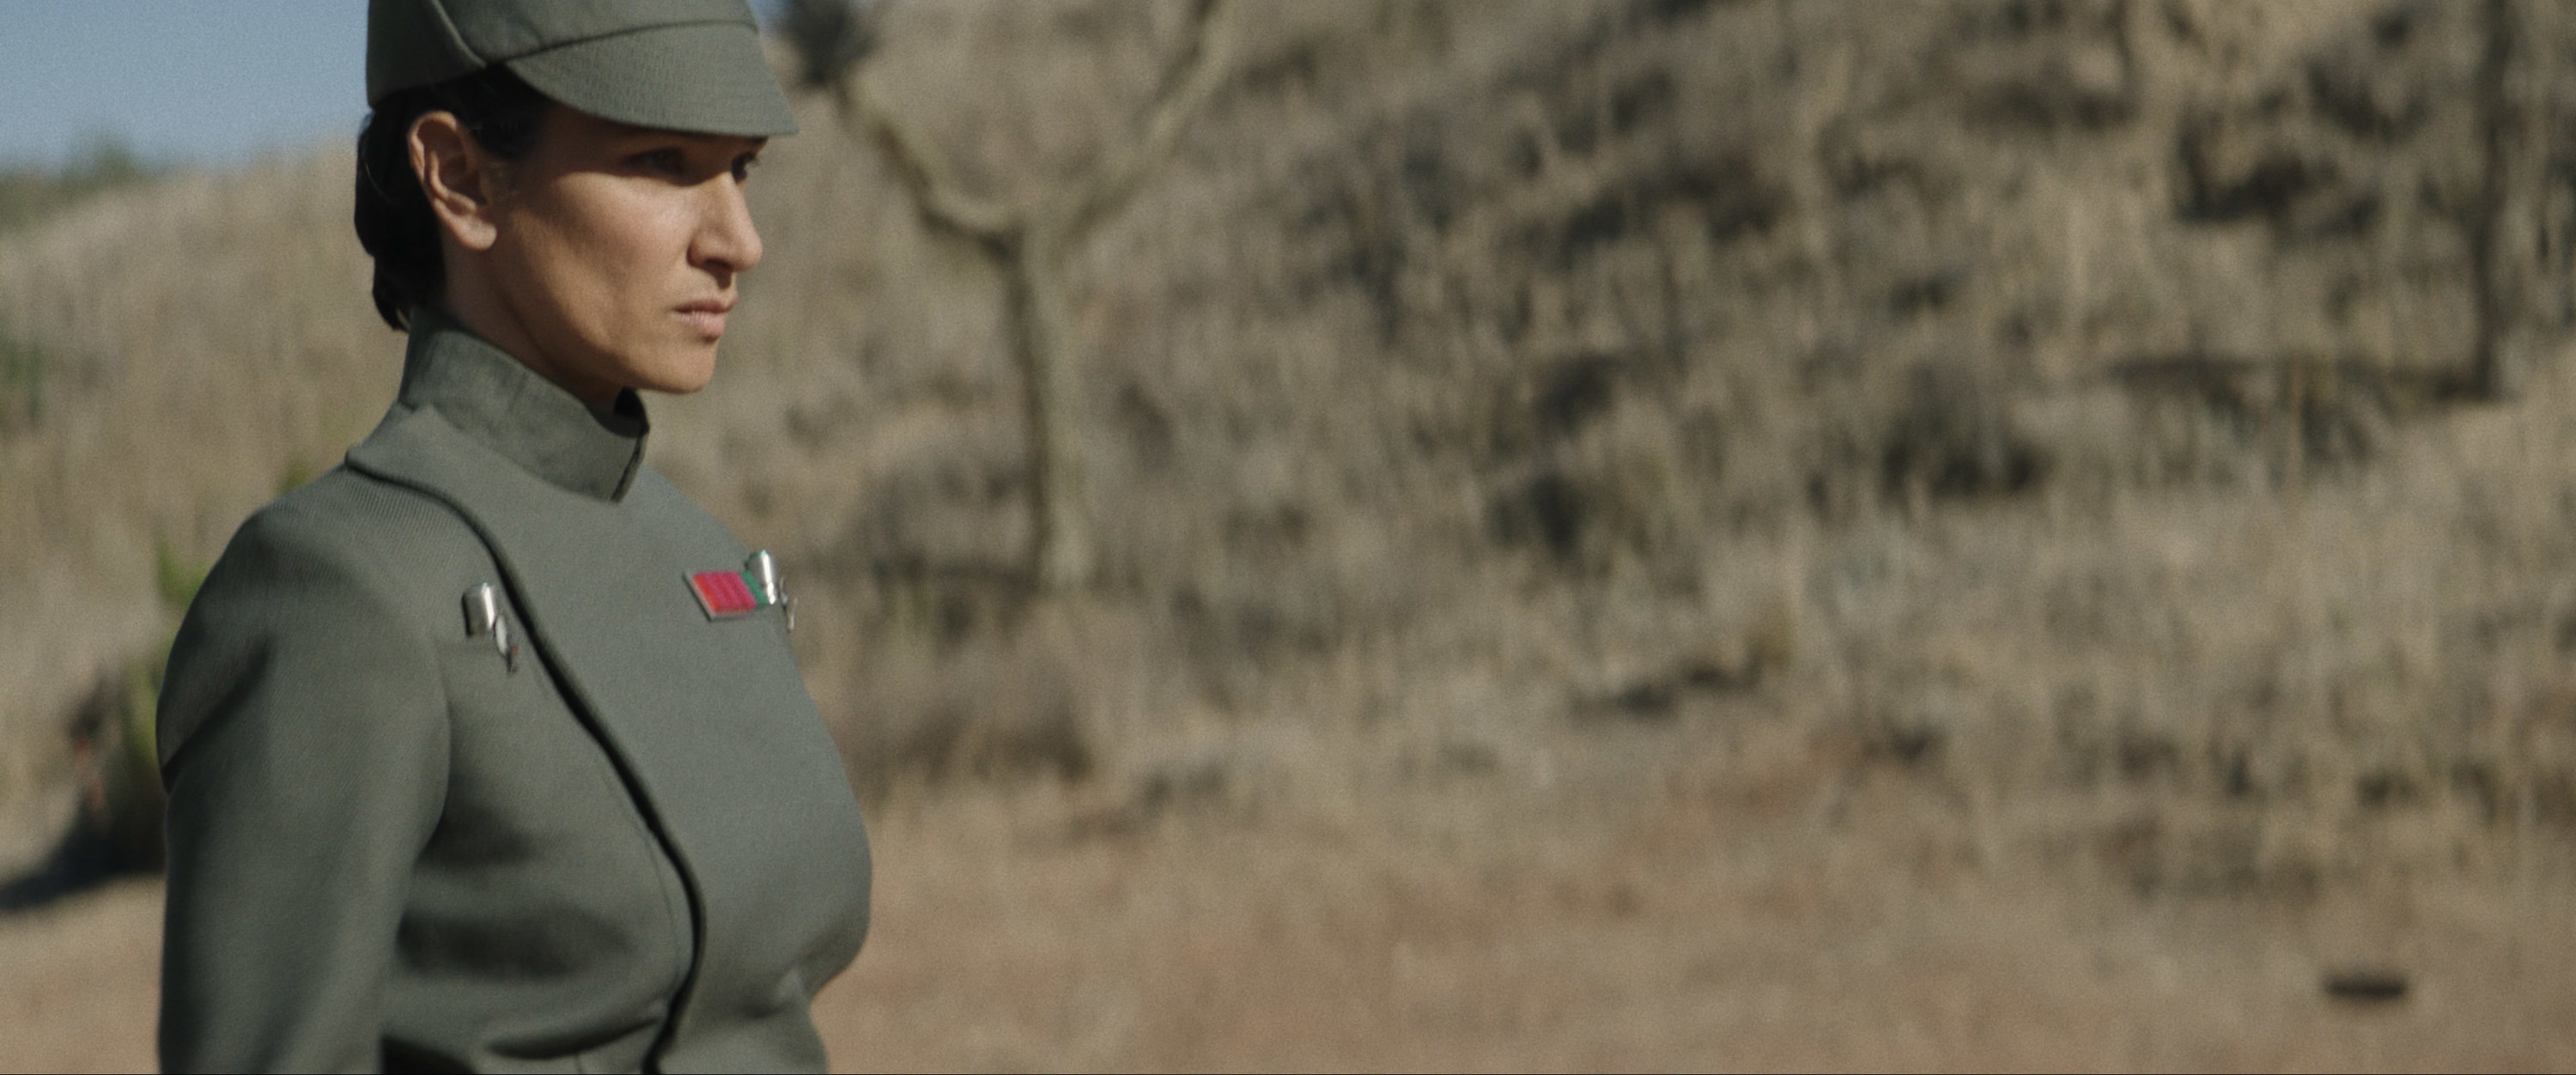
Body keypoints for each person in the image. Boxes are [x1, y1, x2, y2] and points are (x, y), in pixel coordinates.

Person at [154, 1, 871, 1070]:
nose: (738, 242)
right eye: (663, 160)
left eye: (742, 169)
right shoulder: (342, 592)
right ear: (459, 175)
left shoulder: (708, 560)